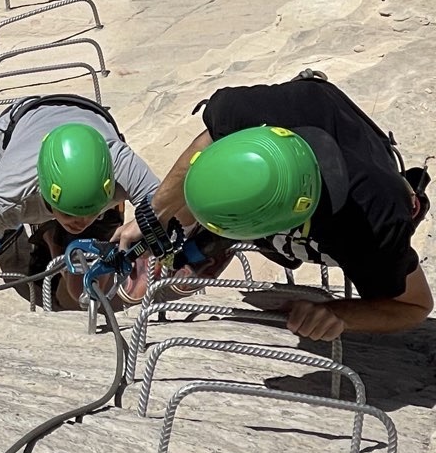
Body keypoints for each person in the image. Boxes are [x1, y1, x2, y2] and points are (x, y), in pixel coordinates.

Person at [117, 71, 433, 339]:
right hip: (309, 105)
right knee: (186, 199)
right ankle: (197, 237)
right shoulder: (238, 114)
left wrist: (338, 312)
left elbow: (416, 306)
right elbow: (207, 143)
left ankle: (212, 242)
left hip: (361, 191)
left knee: (362, 254)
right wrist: (154, 213)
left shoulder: (374, 222)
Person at [0, 95, 160, 315]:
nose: (81, 222)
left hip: (91, 118)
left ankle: (54, 236)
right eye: (69, 214)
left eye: (91, 213)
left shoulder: (121, 166)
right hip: (20, 124)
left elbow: (169, 207)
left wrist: (148, 244)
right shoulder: (7, 193)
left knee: (81, 294)